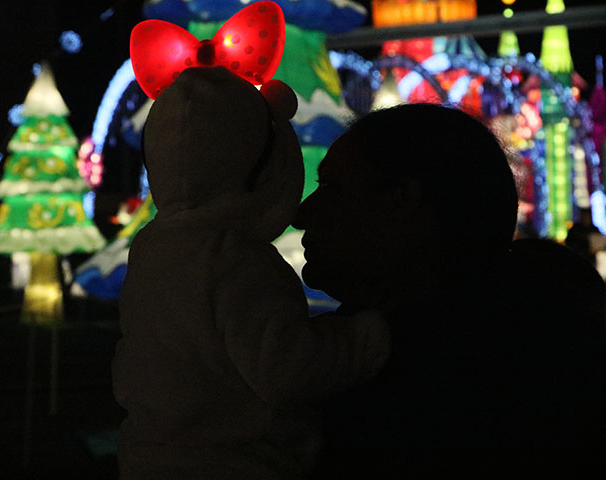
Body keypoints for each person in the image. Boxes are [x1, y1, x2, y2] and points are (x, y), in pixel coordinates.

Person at [294, 103, 606, 476]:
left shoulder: (413, 393)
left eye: (331, 187)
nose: (302, 214)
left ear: (401, 202)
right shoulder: (555, 335)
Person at [112, 66, 390, 479]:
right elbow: (288, 369)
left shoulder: (152, 249)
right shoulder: (237, 260)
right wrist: (365, 336)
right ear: (265, 167)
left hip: (147, 456)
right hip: (236, 462)